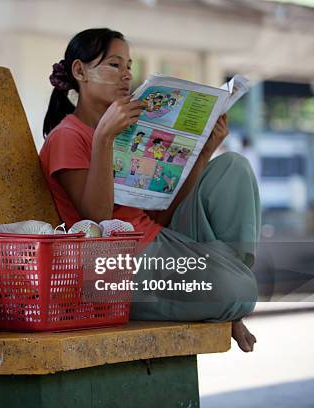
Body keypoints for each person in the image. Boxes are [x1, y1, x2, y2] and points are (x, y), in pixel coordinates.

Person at [40, 28, 259, 352]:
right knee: (240, 291)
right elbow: (96, 218)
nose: (126, 75)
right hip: (118, 267)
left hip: (158, 240)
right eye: (114, 65)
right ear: (80, 71)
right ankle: (226, 299)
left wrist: (204, 150)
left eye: (129, 66)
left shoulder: (131, 133)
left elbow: (163, 212)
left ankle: (225, 294)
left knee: (234, 167)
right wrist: (103, 138)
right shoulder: (67, 137)